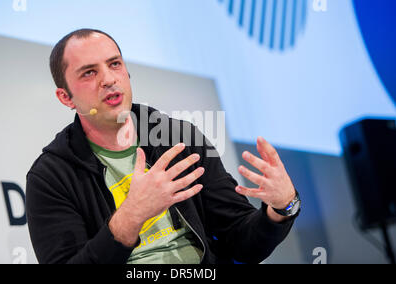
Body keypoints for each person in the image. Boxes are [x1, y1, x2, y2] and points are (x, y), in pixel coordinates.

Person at [26, 29, 301, 264]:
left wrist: (280, 209)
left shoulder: (178, 137)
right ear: (65, 97)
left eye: (114, 64)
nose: (109, 79)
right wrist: (131, 217)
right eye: (89, 73)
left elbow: (241, 242)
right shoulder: (50, 177)